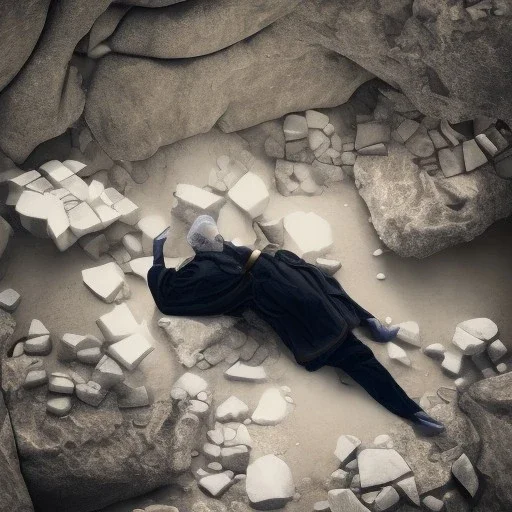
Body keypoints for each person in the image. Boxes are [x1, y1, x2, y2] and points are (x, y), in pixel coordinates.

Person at [148, 215, 445, 436]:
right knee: (348, 341)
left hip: (280, 279)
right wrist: (160, 253)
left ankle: (372, 328)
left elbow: (169, 288)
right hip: (279, 282)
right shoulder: (211, 264)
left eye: (216, 235)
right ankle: (410, 410)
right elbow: (168, 296)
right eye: (213, 237)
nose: (218, 238)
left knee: (326, 294)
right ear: (208, 243)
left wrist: (159, 254)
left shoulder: (209, 261)